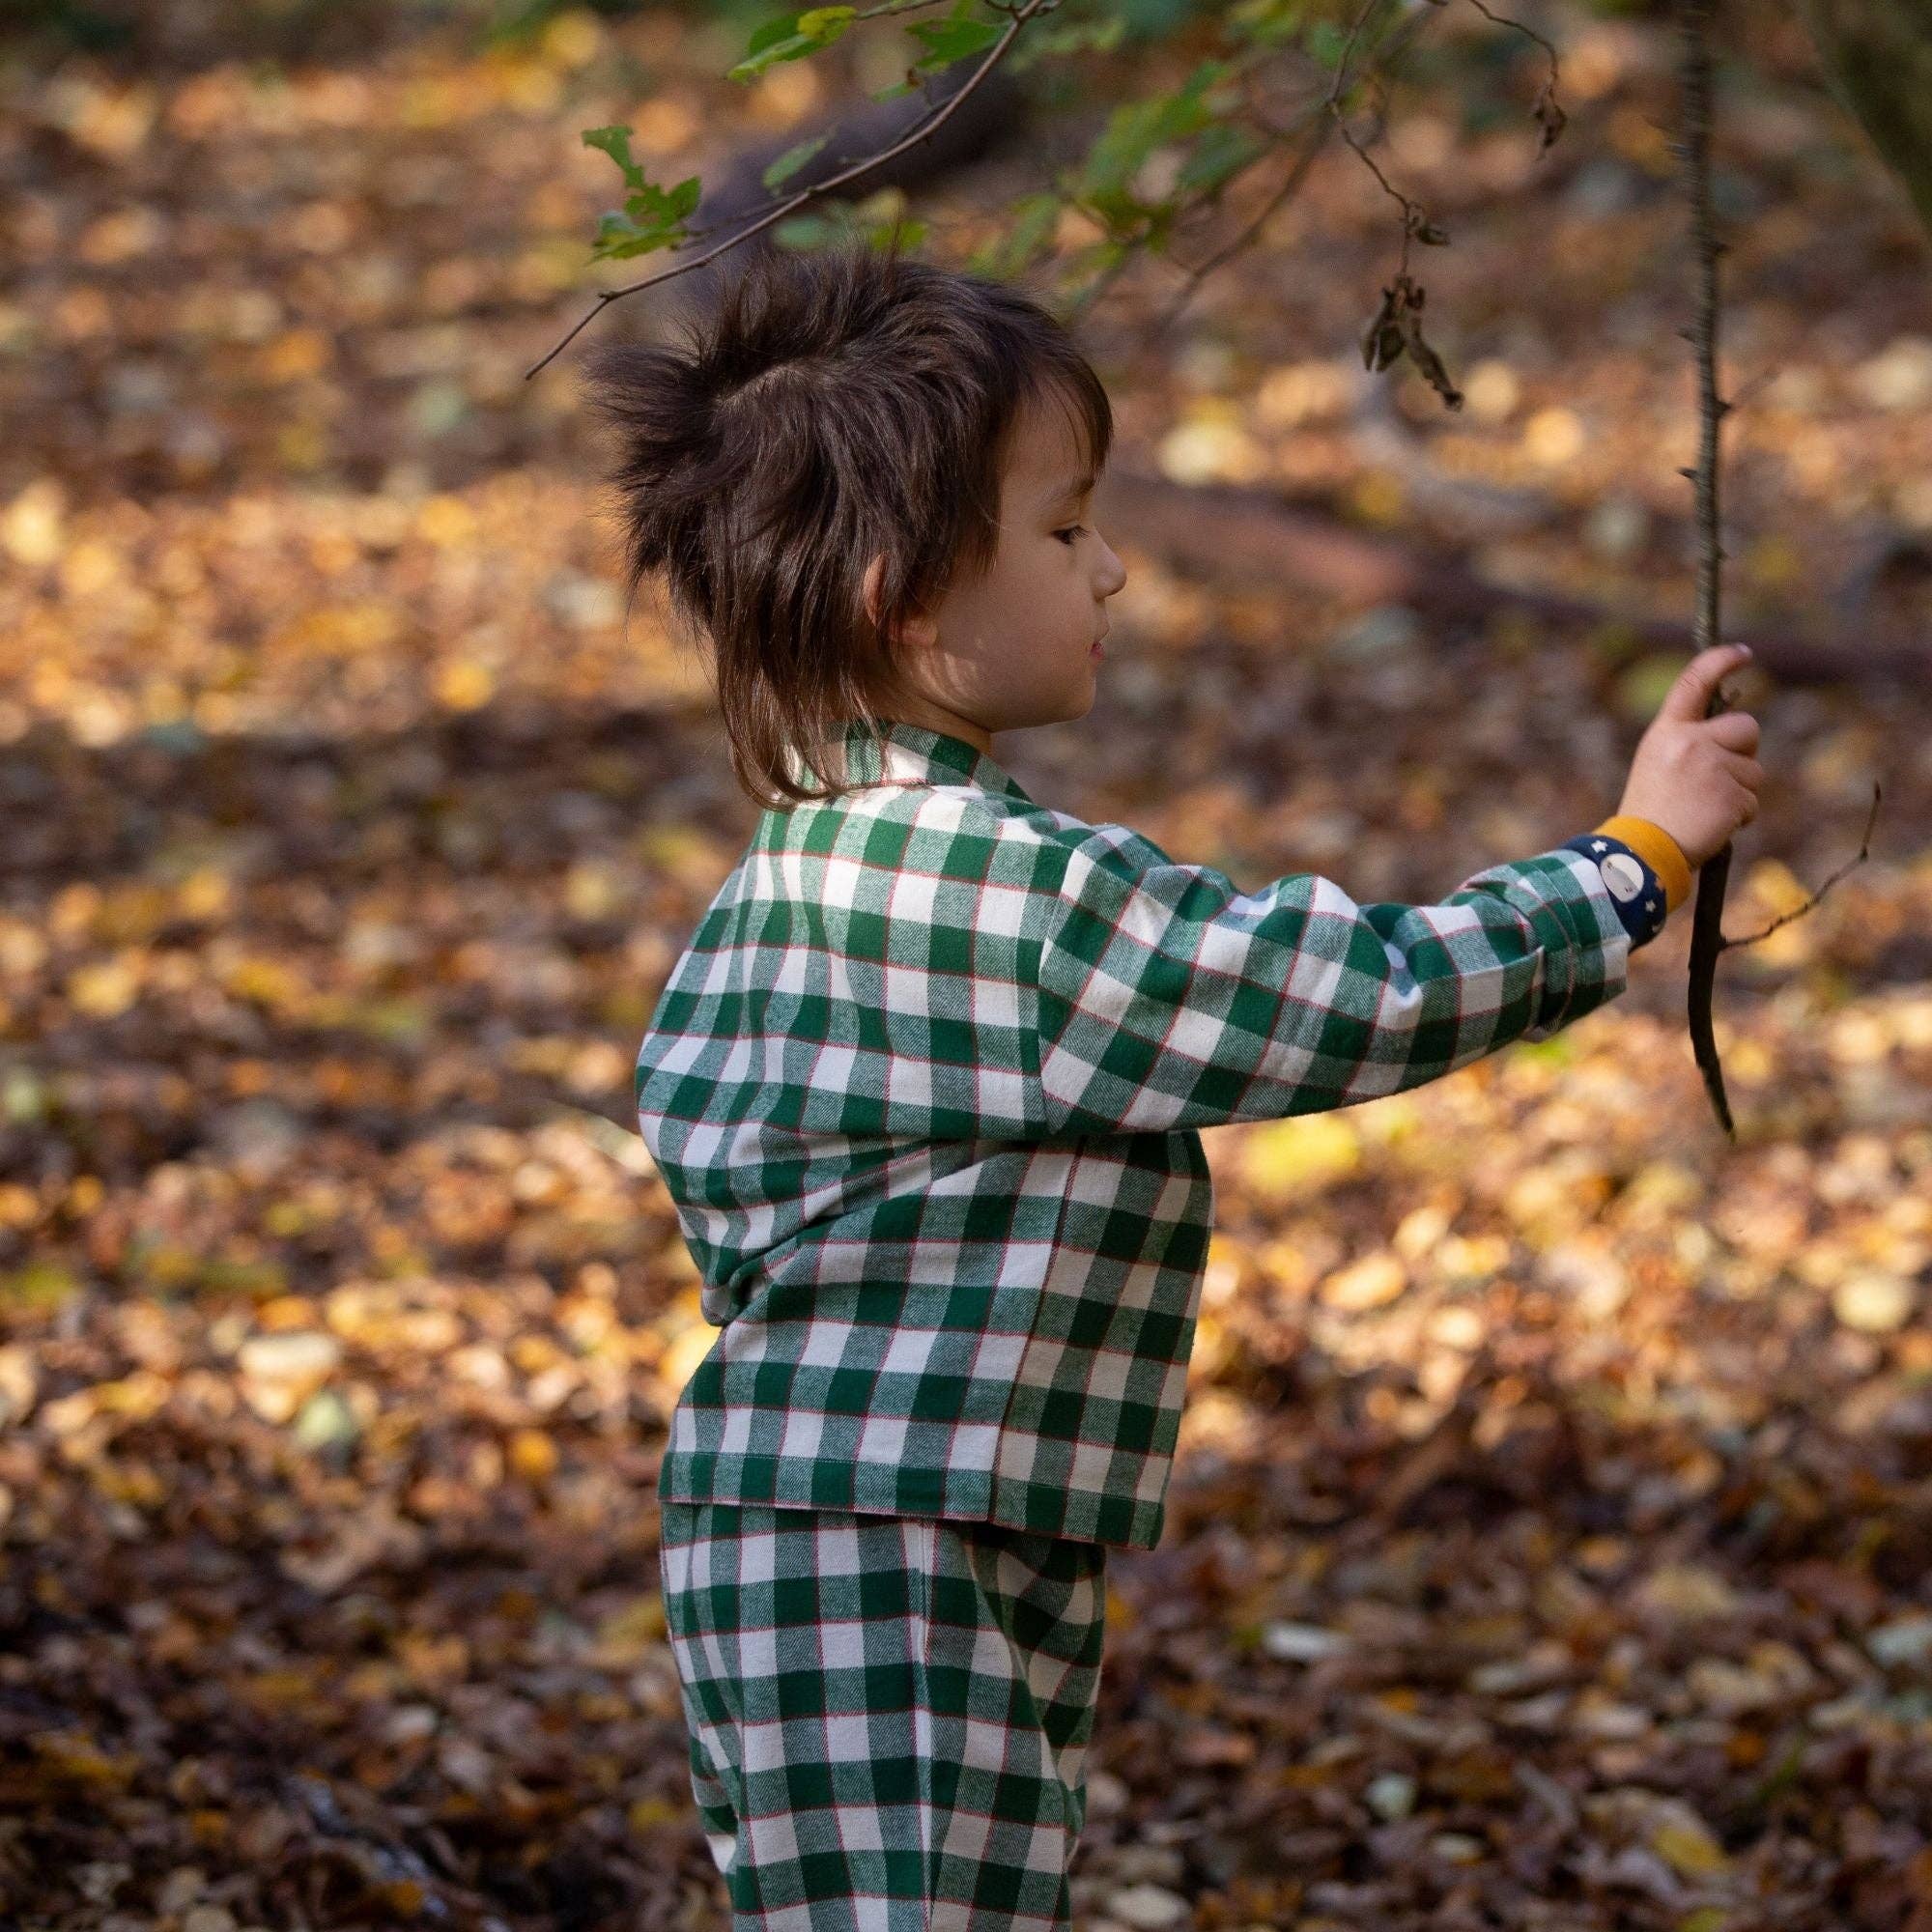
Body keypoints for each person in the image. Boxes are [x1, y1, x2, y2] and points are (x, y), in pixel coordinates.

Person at [582, 242, 1764, 1932]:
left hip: (880, 1518)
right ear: (901, 601)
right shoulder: (991, 895)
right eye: (1064, 532)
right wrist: (1627, 864)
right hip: (887, 1536)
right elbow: (1335, 999)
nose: (1114, 569)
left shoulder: (791, 880)